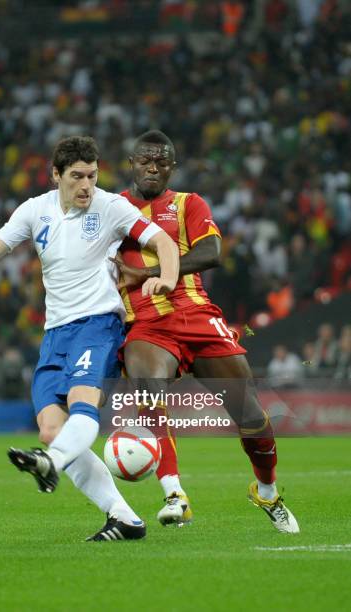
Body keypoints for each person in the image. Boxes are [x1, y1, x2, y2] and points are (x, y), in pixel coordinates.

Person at [0, 135, 179, 542]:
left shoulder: (111, 206)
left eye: (91, 175)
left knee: (80, 404)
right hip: (55, 333)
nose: (86, 185)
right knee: (52, 431)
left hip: (98, 325)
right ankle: (124, 517)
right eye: (76, 177)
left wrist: (167, 276)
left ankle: (50, 464)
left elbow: (161, 240)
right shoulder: (35, 210)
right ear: (56, 175)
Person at [115, 130, 299, 533]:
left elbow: (211, 253)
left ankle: (266, 491)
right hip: (147, 323)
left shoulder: (188, 204)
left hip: (198, 316)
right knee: (149, 389)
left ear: (172, 168)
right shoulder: (112, 209)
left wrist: (149, 272)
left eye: (161, 161)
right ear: (131, 163)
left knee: (250, 414)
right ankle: (175, 495)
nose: (152, 166)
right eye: (144, 159)